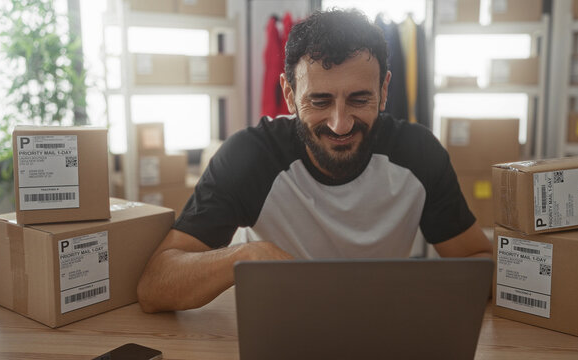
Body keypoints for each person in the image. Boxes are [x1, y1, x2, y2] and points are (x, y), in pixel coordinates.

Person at [136, 9, 492, 313]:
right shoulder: (251, 158)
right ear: (289, 96)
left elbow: (478, 258)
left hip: (381, 331)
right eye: (319, 101)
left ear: (384, 90)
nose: (340, 124)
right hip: (279, 330)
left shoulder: (420, 155)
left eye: (359, 99)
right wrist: (247, 257)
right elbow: (155, 284)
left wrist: (423, 294)